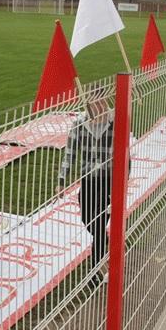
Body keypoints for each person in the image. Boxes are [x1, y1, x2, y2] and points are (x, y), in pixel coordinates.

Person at [57, 88, 116, 281]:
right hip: (88, 178)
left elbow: (125, 154)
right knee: (87, 218)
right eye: (93, 103)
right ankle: (106, 243)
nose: (98, 107)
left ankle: (96, 270)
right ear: (87, 104)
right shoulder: (79, 124)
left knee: (98, 223)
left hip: (108, 179)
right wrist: (61, 180)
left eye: (101, 102)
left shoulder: (115, 122)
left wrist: (123, 180)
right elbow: (70, 154)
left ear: (106, 102)